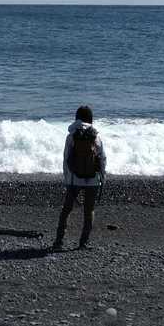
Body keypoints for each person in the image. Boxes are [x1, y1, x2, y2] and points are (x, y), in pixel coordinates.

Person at [52, 104, 106, 251]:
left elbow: (66, 159)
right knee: (89, 211)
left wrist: (67, 179)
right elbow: (102, 158)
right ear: (90, 119)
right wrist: (102, 178)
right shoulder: (96, 136)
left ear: (77, 118)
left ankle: (59, 242)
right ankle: (83, 243)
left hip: (74, 179)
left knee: (66, 210)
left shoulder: (71, 135)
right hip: (93, 179)